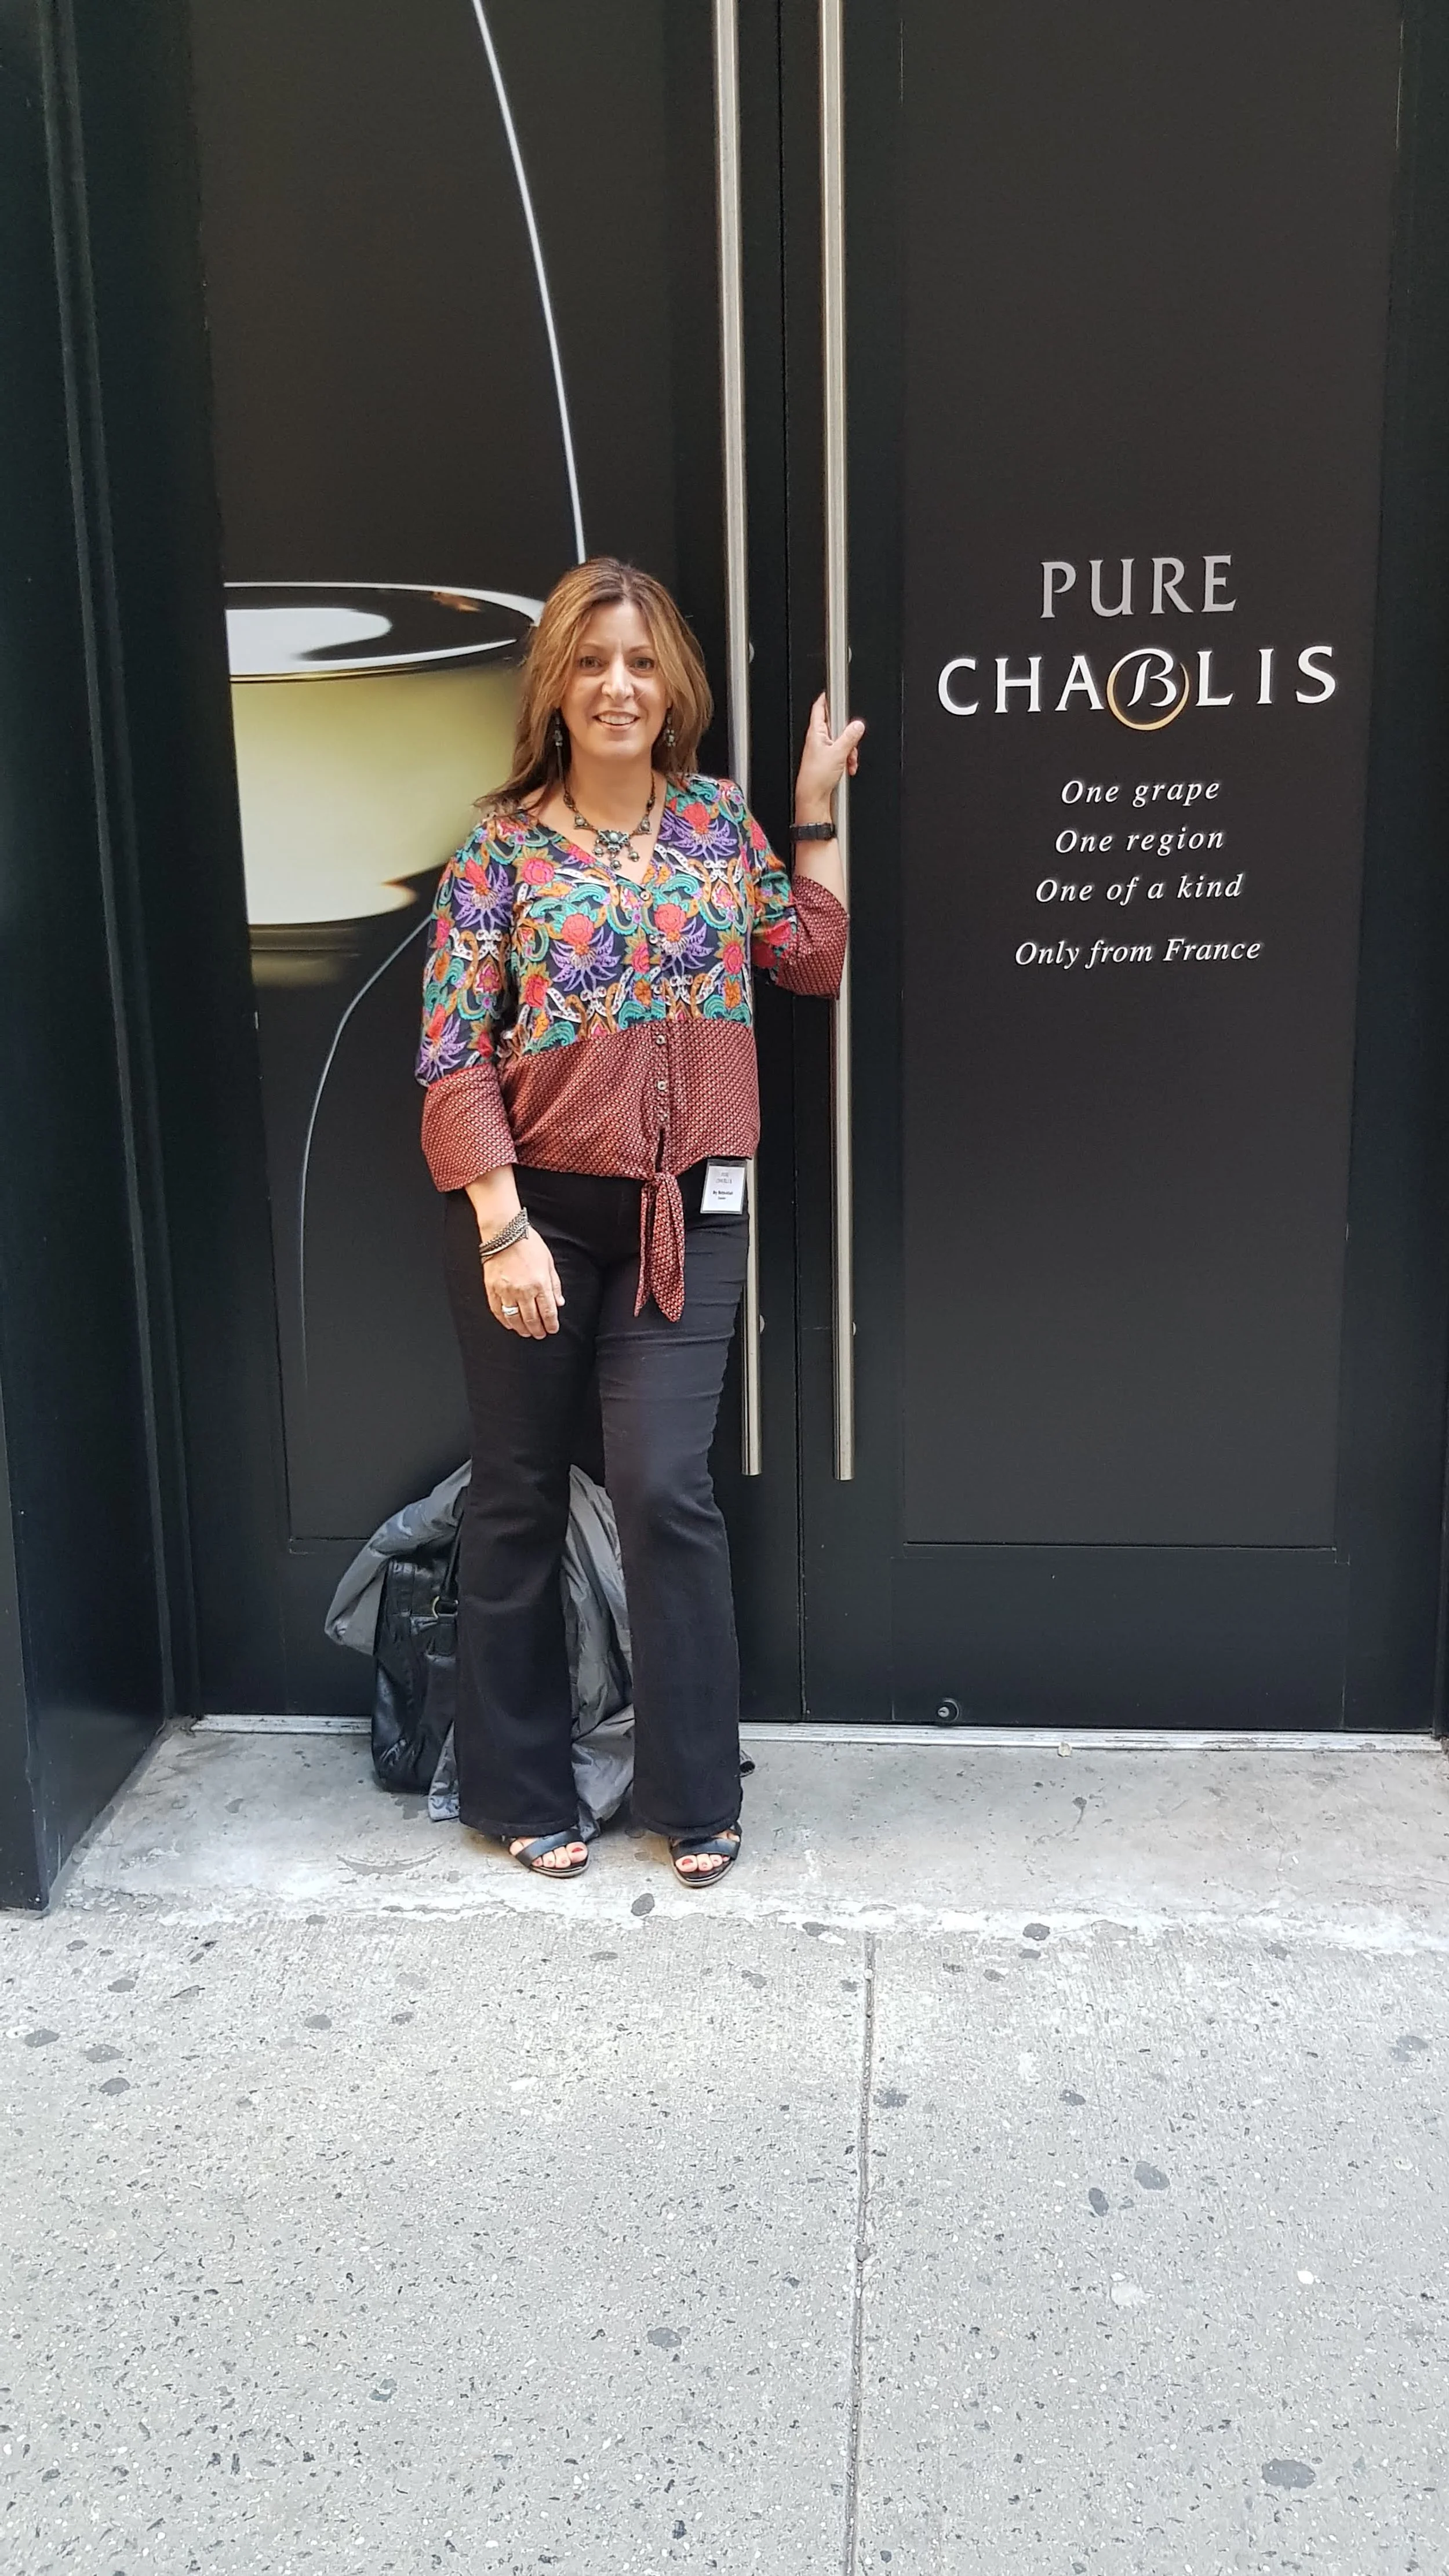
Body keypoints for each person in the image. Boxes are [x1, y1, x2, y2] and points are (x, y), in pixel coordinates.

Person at [416, 557, 861, 1883]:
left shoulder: (718, 826)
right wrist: (502, 1228)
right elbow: (450, 1055)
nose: (618, 684)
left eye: (642, 660)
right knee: (516, 1492)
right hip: (532, 1214)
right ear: (553, 685)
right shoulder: (497, 846)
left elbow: (810, 957)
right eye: (591, 660)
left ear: (674, 686)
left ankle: (692, 1787)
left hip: (686, 1213)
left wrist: (807, 812)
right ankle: (516, 1787)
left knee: (668, 1490)